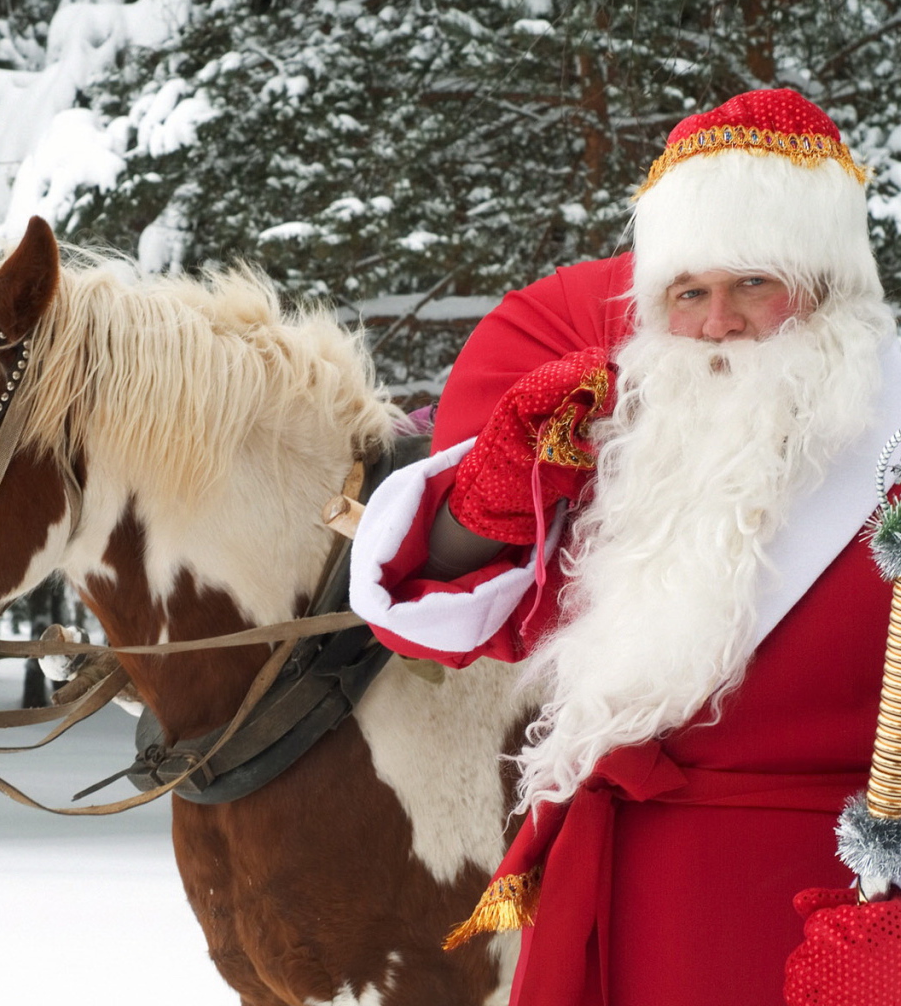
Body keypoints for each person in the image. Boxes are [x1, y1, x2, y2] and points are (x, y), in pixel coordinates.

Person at [348, 89, 901, 1005]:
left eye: (754, 283)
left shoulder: (889, 439)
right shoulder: (626, 442)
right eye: (690, 293)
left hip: (826, 916)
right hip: (616, 906)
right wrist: (496, 484)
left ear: (827, 284)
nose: (718, 322)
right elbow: (433, 616)